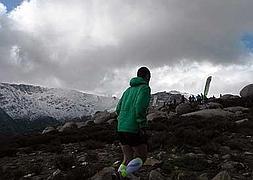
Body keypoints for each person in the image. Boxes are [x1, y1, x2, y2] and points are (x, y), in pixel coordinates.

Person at [116, 67, 151, 178]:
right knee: (142, 157)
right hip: (133, 128)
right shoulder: (144, 88)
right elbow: (140, 108)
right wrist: (142, 125)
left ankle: (118, 174)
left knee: (127, 157)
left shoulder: (127, 91)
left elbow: (118, 109)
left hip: (121, 128)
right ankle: (124, 175)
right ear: (147, 76)